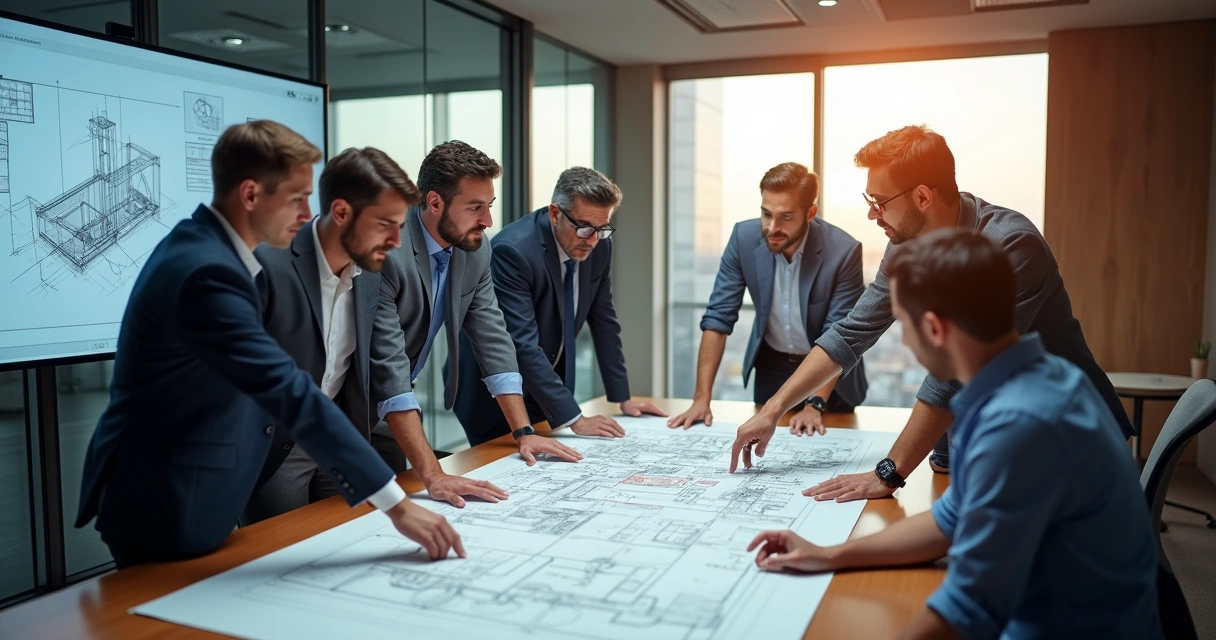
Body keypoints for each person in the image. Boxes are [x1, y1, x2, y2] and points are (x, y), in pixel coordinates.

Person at [75, 121, 462, 566]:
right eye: (296, 198)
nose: (305, 212)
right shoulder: (208, 272)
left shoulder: (210, 250)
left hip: (197, 485)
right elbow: (285, 388)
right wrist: (398, 505)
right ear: (251, 195)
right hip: (165, 494)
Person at [748, 229, 1162, 640]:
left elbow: (968, 609)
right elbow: (950, 521)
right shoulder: (1043, 379)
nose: (904, 340)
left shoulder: (1019, 423)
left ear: (934, 328)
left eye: (903, 325)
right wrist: (829, 554)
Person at [729, 126, 1133, 502]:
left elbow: (957, 371)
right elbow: (852, 332)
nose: (873, 215)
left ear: (923, 197)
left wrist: (889, 472)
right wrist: (772, 411)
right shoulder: (906, 241)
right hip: (984, 434)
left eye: (880, 202)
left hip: (1066, 437)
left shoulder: (1010, 246)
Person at [242, 147, 506, 523]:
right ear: (342, 214)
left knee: (345, 535)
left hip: (339, 429)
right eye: (386, 225)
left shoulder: (366, 272)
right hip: (273, 443)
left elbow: (367, 368)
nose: (398, 242)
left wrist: (400, 501)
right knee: (280, 549)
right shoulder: (265, 266)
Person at [373, 141, 582, 479]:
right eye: (475, 207)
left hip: (391, 411)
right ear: (435, 202)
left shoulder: (475, 248)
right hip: (340, 406)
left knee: (386, 509)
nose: (488, 220)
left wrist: (524, 432)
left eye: (490, 205)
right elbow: (387, 363)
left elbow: (492, 336)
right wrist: (434, 474)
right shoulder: (388, 250)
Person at [454, 167, 666, 446]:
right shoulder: (513, 251)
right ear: (555, 214)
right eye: (584, 227)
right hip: (496, 400)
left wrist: (622, 398)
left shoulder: (599, 246)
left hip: (547, 396)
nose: (592, 240)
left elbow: (604, 321)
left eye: (602, 229)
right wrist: (576, 419)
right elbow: (522, 344)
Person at [667, 162, 867, 435]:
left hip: (828, 375)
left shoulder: (843, 251)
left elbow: (837, 335)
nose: (772, 227)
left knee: (826, 451)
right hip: (772, 367)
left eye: (785, 217)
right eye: (766, 214)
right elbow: (718, 318)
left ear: (810, 213)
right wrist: (702, 399)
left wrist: (815, 404)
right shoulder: (743, 238)